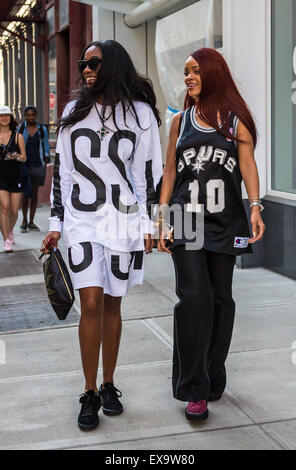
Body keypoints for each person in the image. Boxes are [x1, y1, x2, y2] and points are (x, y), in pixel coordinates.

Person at [41, 40, 162, 431]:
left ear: (113, 66)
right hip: (82, 220)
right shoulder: (75, 112)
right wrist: (56, 223)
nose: (86, 69)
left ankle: (110, 383)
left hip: (123, 220)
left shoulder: (140, 114)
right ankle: (89, 390)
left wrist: (148, 222)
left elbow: (146, 176)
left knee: (113, 303)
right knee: (89, 302)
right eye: (83, 63)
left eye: (93, 63)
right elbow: (63, 173)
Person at [157, 47, 265, 421]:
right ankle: (194, 389)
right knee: (194, 298)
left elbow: (248, 166)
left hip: (225, 221)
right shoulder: (179, 122)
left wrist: (255, 207)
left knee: (220, 299)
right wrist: (161, 216)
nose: (188, 77)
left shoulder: (235, 122)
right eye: (185, 71)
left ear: (212, 73)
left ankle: (212, 374)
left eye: (195, 70)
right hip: (186, 220)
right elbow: (170, 172)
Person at [18, 105, 50, 232]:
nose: (31, 117)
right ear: (25, 116)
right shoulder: (21, 129)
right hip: (25, 166)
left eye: (33, 115)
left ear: (36, 115)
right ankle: (24, 220)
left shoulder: (42, 130)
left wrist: (45, 163)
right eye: (28, 115)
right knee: (26, 193)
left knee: (35, 194)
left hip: (38, 165)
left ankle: (31, 221)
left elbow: (46, 147)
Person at [0, 105, 26, 252]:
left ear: (10, 118)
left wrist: (16, 156)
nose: (4, 118)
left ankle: (9, 231)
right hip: (0, 176)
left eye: (6, 116)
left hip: (15, 175)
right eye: (1, 116)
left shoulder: (18, 136)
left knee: (14, 211)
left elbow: (24, 158)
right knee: (4, 207)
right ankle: (6, 240)